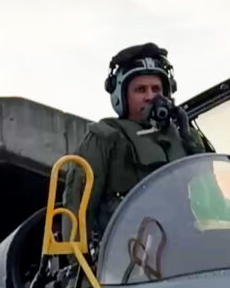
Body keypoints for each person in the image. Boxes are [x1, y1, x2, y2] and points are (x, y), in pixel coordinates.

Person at [70, 43, 211, 236]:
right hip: (127, 256)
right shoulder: (105, 138)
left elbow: (213, 202)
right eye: (140, 90)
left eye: (156, 89)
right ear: (121, 96)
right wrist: (79, 263)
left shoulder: (186, 137)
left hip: (186, 249)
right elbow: (76, 208)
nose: (150, 97)